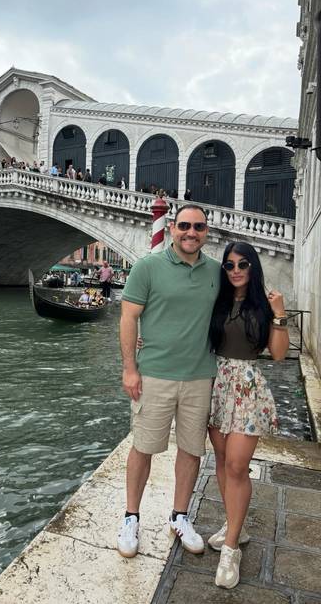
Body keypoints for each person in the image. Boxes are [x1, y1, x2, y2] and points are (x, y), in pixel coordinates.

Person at [118, 204, 220, 559]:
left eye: (200, 227)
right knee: (143, 447)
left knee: (191, 450)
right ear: (172, 228)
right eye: (185, 226)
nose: (192, 233)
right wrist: (130, 368)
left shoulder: (217, 272)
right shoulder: (147, 267)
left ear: (208, 232)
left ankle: (180, 516)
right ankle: (131, 517)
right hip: (155, 375)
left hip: (200, 376)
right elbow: (129, 318)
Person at [207, 241, 288, 589]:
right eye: (229, 265)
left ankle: (231, 548)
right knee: (223, 461)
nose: (236, 270)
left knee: (238, 465)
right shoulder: (217, 301)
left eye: (242, 264)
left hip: (248, 387)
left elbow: (280, 354)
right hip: (216, 384)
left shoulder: (263, 304)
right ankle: (233, 525)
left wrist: (280, 313)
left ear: (253, 267)